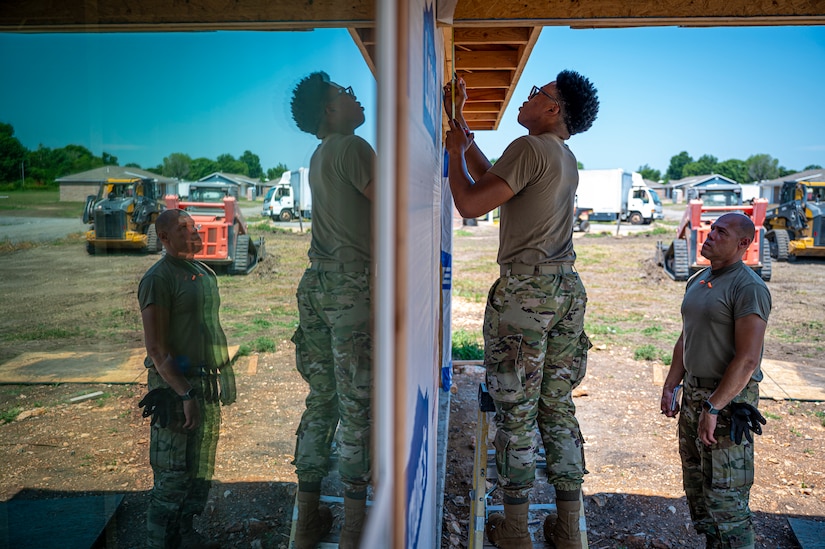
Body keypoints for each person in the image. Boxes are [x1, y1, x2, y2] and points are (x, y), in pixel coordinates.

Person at [443, 71, 599, 549]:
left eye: (538, 93)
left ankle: (514, 530)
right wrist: (461, 123)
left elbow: (471, 202)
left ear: (554, 108)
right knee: (556, 407)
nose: (528, 97)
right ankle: (568, 528)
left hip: (526, 295)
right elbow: (496, 177)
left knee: (516, 412)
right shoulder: (560, 154)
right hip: (566, 291)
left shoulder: (529, 147)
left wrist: (451, 152)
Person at [288, 71, 374, 549]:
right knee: (358, 406)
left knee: (322, 401)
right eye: (345, 92)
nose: (356, 96)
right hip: (349, 287)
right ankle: (354, 527)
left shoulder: (321, 154)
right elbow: (394, 212)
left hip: (317, 284)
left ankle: (306, 521)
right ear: (328, 110)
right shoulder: (351, 148)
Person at [660, 213, 771, 549]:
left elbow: (748, 359)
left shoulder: (748, 287)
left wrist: (714, 406)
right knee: (699, 491)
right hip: (695, 395)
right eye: (711, 229)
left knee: (726, 500)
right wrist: (671, 384)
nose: (709, 235)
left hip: (726, 402)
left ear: (743, 244)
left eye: (721, 232)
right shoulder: (699, 280)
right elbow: (686, 338)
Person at [138, 208, 236, 549]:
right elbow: (156, 349)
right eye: (184, 229)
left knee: (198, 471)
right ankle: (161, 542)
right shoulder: (158, 279)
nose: (195, 233)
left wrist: (220, 375)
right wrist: (185, 393)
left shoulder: (200, 272)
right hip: (175, 390)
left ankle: (185, 536)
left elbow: (211, 329)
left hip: (201, 385)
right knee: (173, 476)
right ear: (164, 237)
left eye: (195, 227)